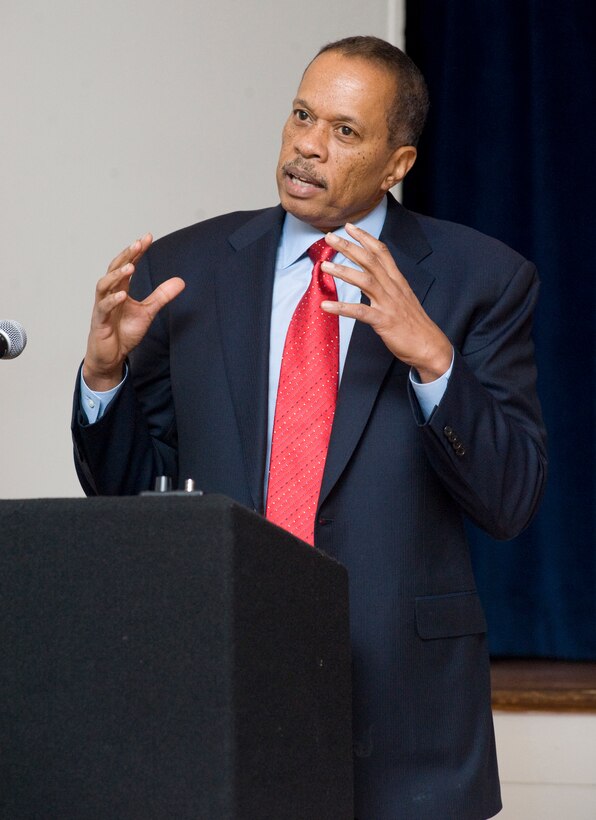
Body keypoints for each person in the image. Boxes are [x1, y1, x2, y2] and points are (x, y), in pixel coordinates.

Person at [72, 36, 547, 819]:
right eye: (301, 115)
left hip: (404, 716)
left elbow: (511, 499)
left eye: (344, 131)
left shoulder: (480, 279)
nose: (307, 146)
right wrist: (104, 379)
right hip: (221, 685)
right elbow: (129, 496)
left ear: (398, 164)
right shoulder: (186, 269)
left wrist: (433, 359)